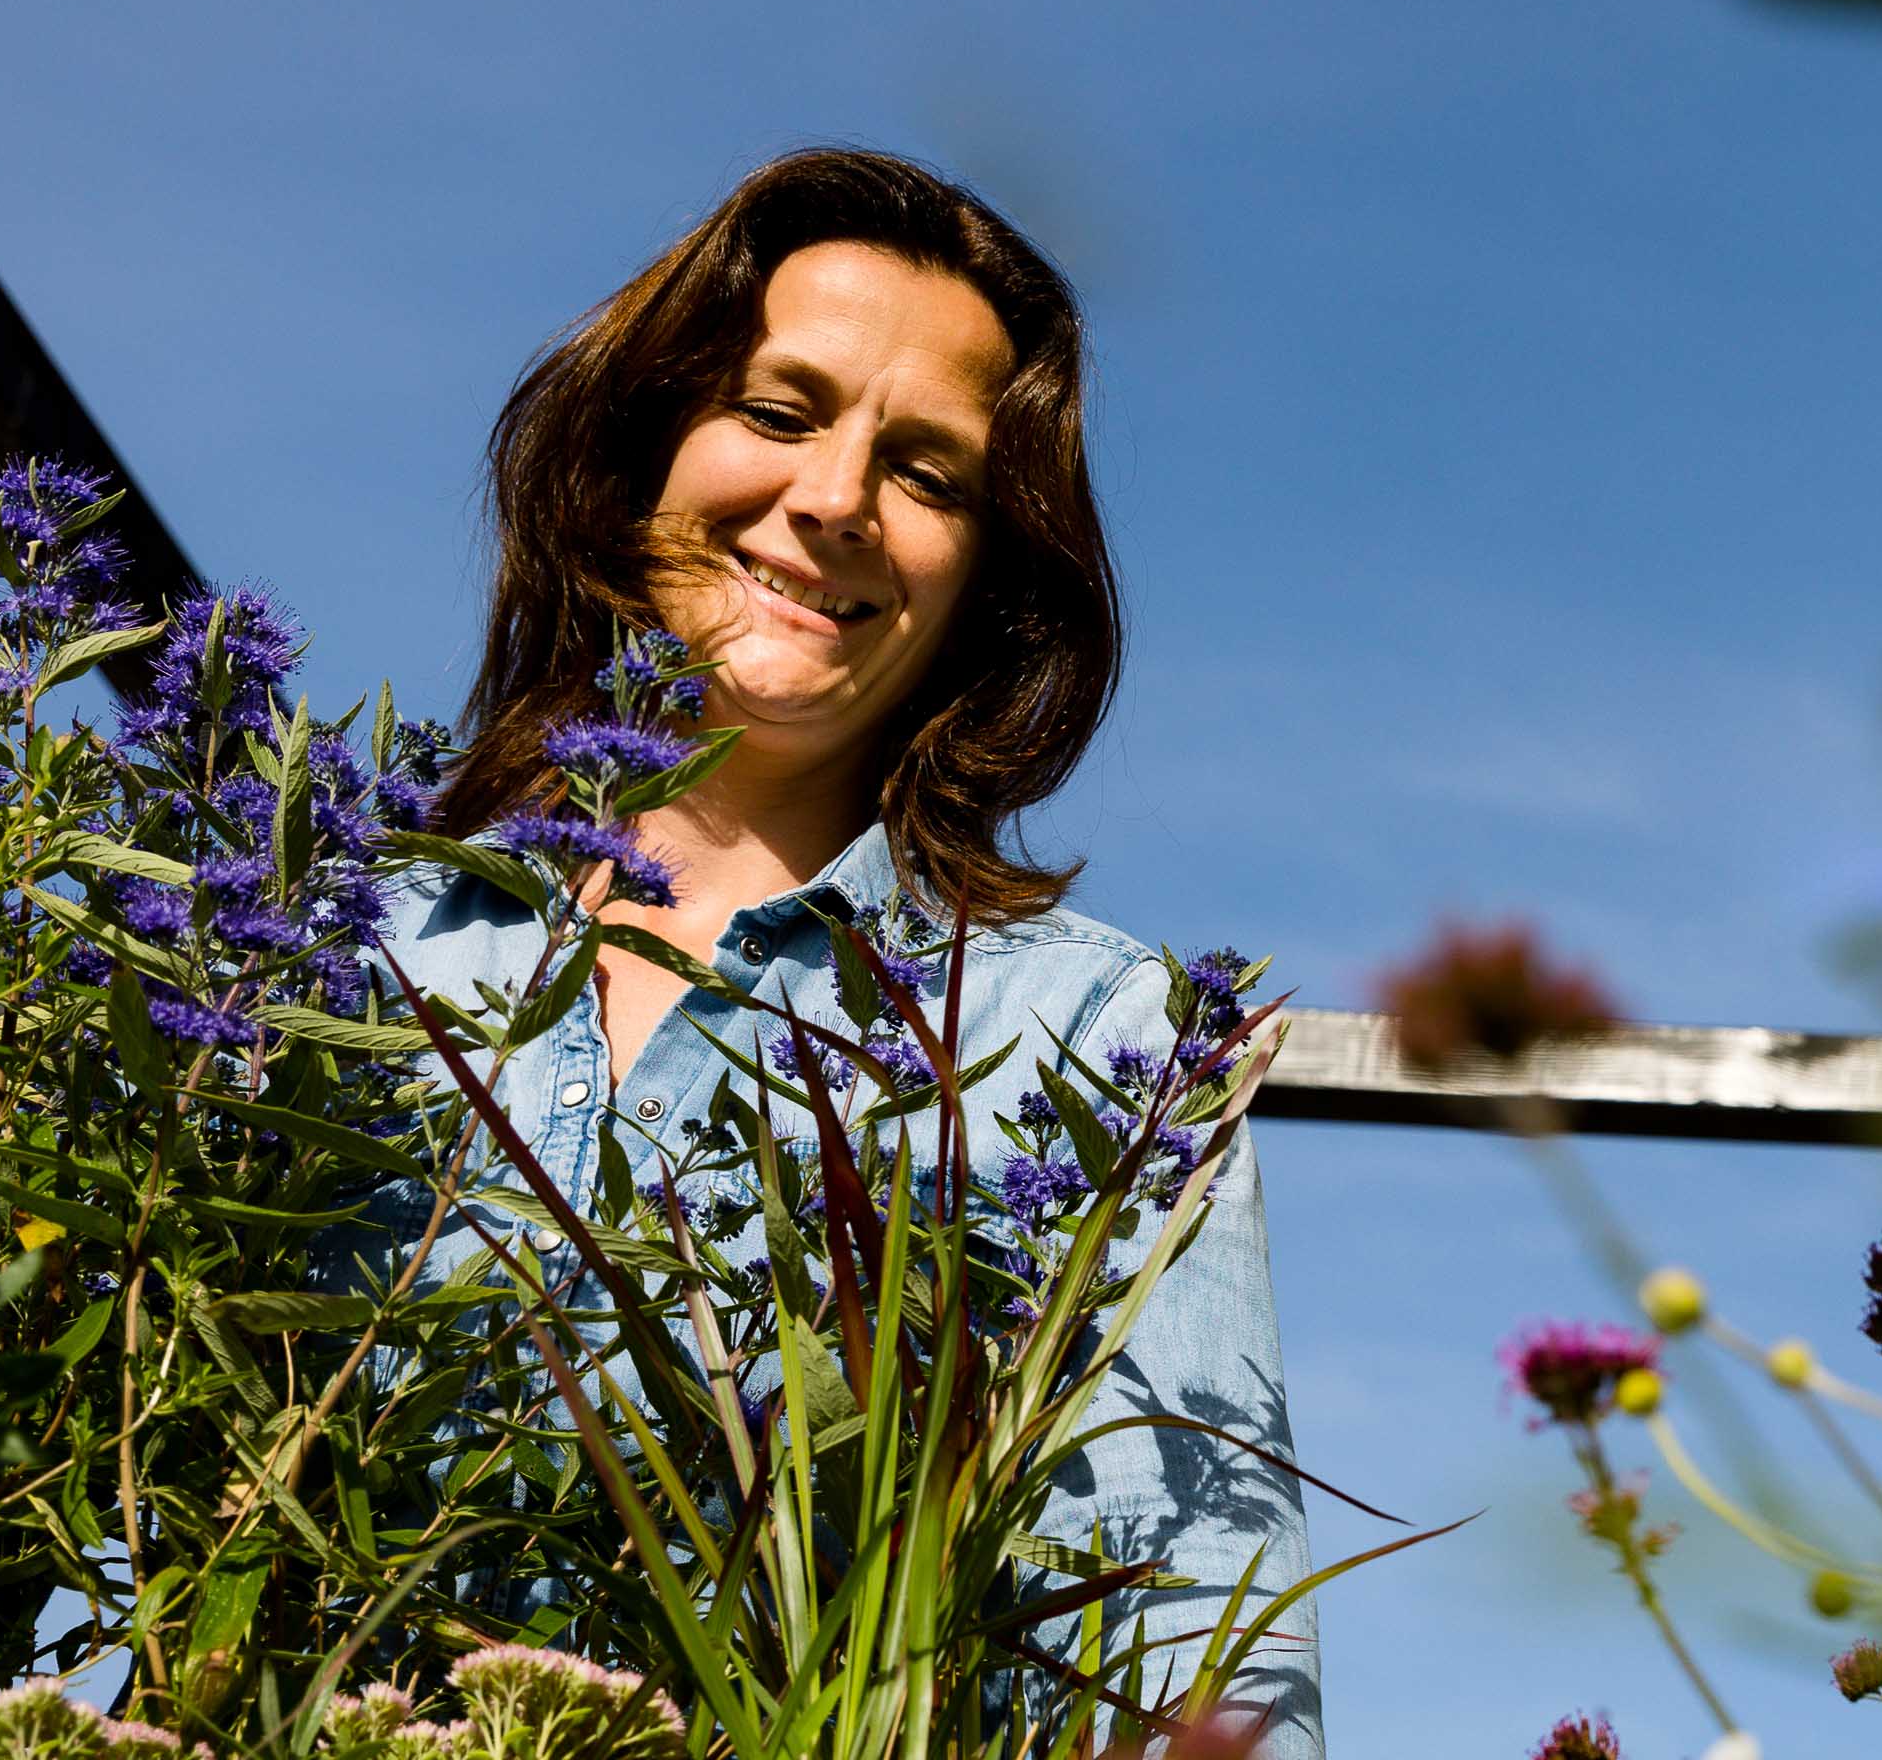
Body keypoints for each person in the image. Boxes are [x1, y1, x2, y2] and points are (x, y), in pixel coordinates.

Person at [374, 146, 1317, 1752]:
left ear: (990, 585)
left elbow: (1196, 1640)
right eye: (781, 411)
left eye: (932, 474)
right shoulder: (348, 944)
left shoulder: (1100, 1031)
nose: (833, 502)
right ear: (636, 449)